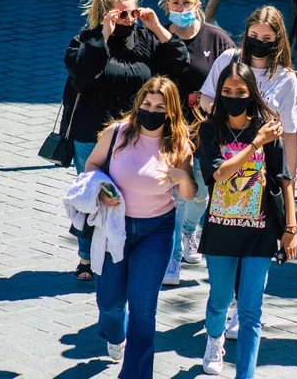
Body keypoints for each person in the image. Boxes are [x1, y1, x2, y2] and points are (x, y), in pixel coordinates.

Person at [62, 0, 188, 280]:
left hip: (136, 134)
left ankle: (120, 250)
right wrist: (103, 35)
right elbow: (81, 78)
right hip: (93, 135)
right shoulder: (86, 40)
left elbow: (179, 62)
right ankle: (85, 255)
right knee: (95, 193)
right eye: (123, 13)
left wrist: (157, 27)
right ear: (106, 13)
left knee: (127, 194)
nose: (130, 19)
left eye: (134, 12)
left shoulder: (146, 37)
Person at [85, 76, 197, 377]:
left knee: (144, 309)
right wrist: (102, 190)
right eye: (147, 104)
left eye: (159, 106)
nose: (151, 110)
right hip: (115, 228)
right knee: (109, 302)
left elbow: (189, 195)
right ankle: (114, 334)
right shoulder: (117, 133)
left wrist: (183, 177)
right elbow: (92, 167)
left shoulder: (179, 144)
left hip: (156, 231)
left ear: (170, 112)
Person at [200, 5, 297, 338]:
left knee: (254, 248)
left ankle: (243, 311)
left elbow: (289, 135)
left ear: (278, 40)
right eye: (254, 36)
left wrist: (289, 189)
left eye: (266, 38)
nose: (258, 42)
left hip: (261, 178)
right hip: (225, 171)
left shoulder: (285, 79)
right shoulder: (227, 61)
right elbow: (206, 103)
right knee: (226, 246)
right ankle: (225, 307)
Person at [158, 0, 236, 285]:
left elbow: (233, 81)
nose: (180, 9)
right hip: (168, 130)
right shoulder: (159, 36)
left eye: (186, 3)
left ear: (197, 4)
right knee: (176, 193)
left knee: (201, 193)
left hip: (206, 131)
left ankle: (190, 232)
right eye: (175, 4)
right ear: (167, 5)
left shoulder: (217, 39)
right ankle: (172, 256)